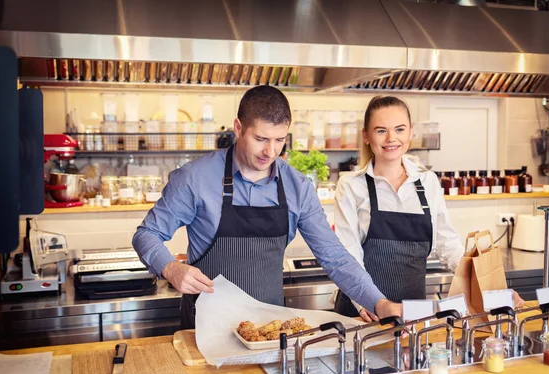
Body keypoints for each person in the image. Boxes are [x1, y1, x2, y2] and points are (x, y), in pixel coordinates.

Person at [132, 86, 390, 329]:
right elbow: (146, 234)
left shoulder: (296, 186)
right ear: (238, 128)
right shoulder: (195, 178)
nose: (270, 151)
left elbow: (335, 257)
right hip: (205, 328)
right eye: (260, 138)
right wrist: (170, 267)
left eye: (279, 140)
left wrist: (379, 302)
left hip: (269, 330)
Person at [333, 96, 524, 321]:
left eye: (400, 129)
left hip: (413, 314)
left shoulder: (428, 182)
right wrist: (364, 300)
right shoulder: (351, 185)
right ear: (366, 135)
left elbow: (448, 245)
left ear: (411, 132)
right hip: (364, 313)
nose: (391, 138)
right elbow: (348, 253)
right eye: (381, 130)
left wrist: (490, 288)